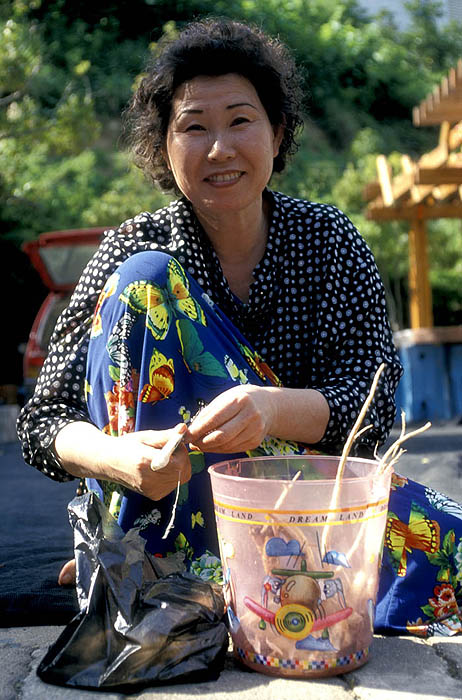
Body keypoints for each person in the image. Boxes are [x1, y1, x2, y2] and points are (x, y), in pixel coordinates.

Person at [17, 19, 403, 587]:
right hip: (160, 503)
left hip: (302, 514)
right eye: (193, 127)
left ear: (277, 132)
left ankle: (200, 574)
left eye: (241, 121)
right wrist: (116, 460)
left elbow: (371, 405)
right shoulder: (136, 245)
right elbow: (44, 420)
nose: (219, 149)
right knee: (147, 278)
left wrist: (270, 410)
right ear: (164, 148)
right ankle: (144, 556)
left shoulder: (329, 239)